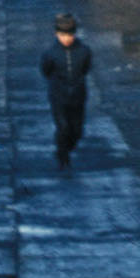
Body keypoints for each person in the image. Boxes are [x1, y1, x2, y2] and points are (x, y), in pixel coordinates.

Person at [40, 12, 92, 170]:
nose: (66, 38)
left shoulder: (84, 51)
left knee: (77, 130)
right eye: (63, 35)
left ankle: (65, 149)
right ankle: (63, 156)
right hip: (58, 95)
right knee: (63, 127)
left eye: (69, 35)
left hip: (78, 95)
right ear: (57, 34)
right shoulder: (50, 53)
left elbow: (85, 68)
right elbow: (46, 70)